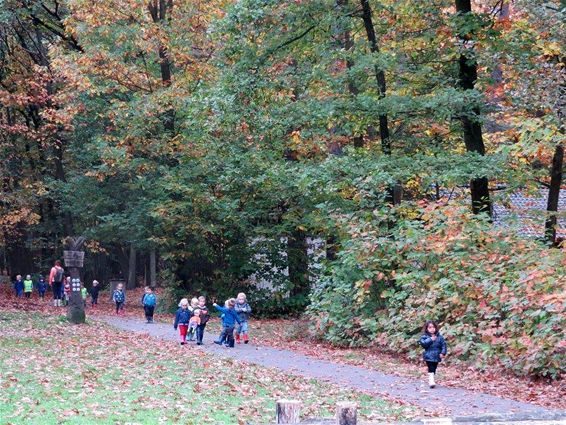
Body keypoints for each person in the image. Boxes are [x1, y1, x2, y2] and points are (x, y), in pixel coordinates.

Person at [419, 320, 447, 388]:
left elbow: (443, 345)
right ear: (427, 329)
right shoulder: (424, 336)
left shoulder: (440, 337)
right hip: (428, 355)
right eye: (430, 327)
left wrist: (443, 353)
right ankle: (431, 380)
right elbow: (423, 344)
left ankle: (431, 377)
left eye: (433, 327)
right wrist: (430, 339)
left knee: (434, 368)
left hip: (437, 355)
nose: (432, 329)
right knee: (430, 367)